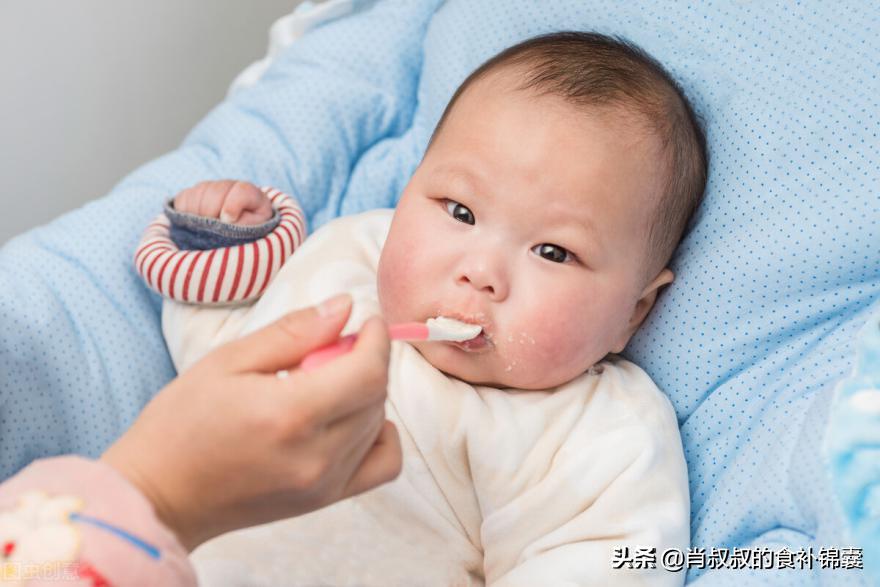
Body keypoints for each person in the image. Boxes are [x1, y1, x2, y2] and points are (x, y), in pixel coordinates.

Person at [148, 31, 706, 585]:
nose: (481, 272)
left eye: (553, 252)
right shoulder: (352, 262)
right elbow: (216, 366)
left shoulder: (592, 436)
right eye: (459, 211)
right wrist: (219, 246)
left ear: (633, 312)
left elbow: (604, 564)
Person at [0, 295, 402, 586]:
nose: (468, 271)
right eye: (457, 212)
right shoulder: (341, 255)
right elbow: (197, 295)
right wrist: (229, 231)